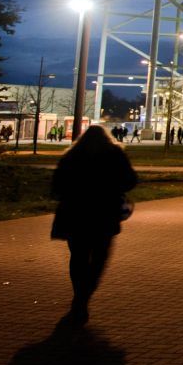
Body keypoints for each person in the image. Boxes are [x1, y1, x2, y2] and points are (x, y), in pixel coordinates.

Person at [50, 125, 139, 324]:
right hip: (103, 212)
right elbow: (130, 179)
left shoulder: (72, 155)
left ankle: (79, 296)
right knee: (99, 257)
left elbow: (57, 184)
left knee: (78, 256)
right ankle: (84, 297)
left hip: (75, 213)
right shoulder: (114, 155)